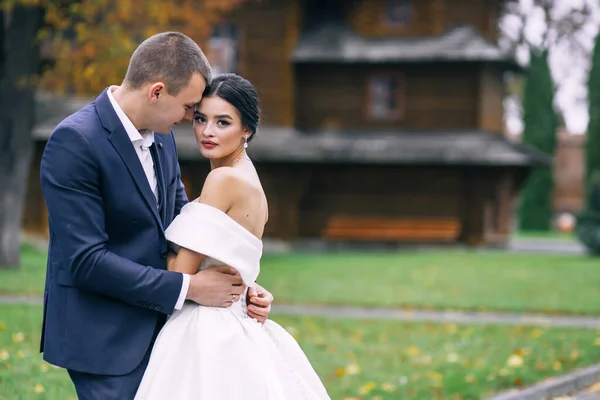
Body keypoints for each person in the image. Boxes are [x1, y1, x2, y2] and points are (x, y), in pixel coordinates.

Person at [39, 32, 274, 400]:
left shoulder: (162, 137)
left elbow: (183, 228)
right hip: (104, 336)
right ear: (157, 92)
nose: (191, 120)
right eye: (189, 108)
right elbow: (85, 261)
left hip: (164, 330)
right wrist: (191, 287)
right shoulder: (75, 141)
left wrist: (238, 283)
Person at [133, 73, 330, 399]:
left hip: (206, 328)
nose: (207, 132)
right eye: (200, 119)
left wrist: (143, 244)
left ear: (247, 129)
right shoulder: (249, 180)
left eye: (222, 122)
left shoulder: (222, 180)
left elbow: (180, 274)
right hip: (236, 319)